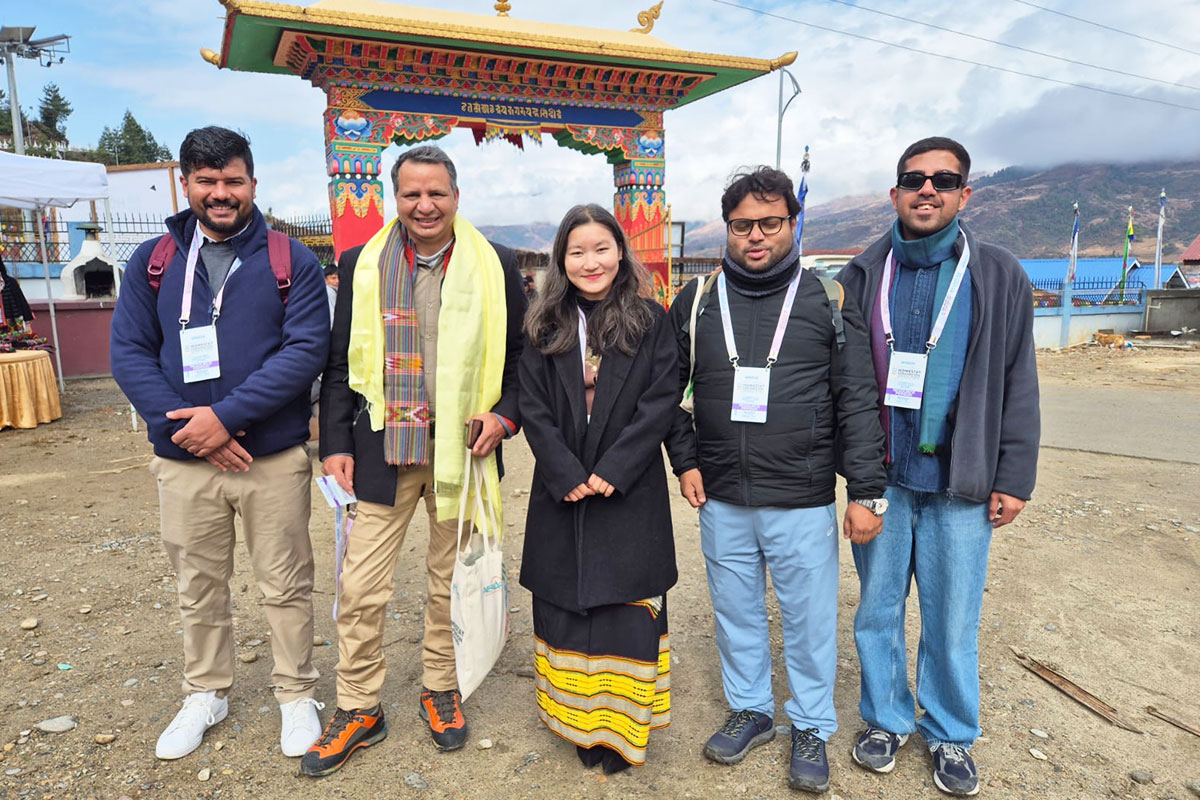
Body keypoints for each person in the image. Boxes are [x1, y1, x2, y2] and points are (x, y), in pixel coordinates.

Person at [109, 126, 330, 762]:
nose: (220, 193)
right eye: (206, 181)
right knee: (198, 583)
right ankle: (206, 692)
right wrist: (195, 433)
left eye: (233, 180)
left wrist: (225, 418)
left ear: (252, 183)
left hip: (272, 457)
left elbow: (304, 352)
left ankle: (295, 693)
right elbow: (129, 353)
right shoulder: (153, 261)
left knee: (285, 581)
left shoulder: (291, 260)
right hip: (185, 461)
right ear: (186, 185)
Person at [304, 145, 526, 776]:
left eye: (436, 193)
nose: (424, 205)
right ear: (394, 198)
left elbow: (520, 361)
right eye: (411, 194)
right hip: (383, 449)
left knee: (449, 580)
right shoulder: (361, 263)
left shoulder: (496, 263)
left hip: (465, 450)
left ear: (456, 196)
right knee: (360, 584)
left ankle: (440, 686)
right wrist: (336, 444)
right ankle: (358, 706)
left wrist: (505, 417)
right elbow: (339, 363)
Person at [665, 166, 887, 794]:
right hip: (722, 494)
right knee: (736, 613)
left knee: (809, 619)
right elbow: (665, 395)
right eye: (742, 226)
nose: (756, 236)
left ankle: (810, 724)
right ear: (727, 229)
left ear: (793, 222)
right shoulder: (697, 301)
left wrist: (866, 491)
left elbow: (857, 400)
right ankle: (752, 709)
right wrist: (685, 461)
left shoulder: (827, 299)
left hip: (801, 494)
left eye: (770, 222)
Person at [837, 137, 1039, 797]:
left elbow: (1019, 379)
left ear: (964, 194)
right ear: (895, 193)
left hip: (961, 481)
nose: (928, 189)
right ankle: (885, 719)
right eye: (914, 179)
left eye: (943, 180)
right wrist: (855, 479)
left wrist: (1013, 476)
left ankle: (950, 732)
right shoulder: (862, 274)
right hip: (884, 479)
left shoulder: (998, 274)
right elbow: (845, 386)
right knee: (877, 611)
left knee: (952, 620)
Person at [518, 204, 678, 775]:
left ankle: (622, 733)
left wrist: (618, 466)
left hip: (627, 488)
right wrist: (563, 471)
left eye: (602, 249)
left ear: (620, 252)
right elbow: (532, 404)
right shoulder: (544, 323)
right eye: (577, 251)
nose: (591, 262)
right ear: (561, 259)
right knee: (567, 610)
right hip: (562, 487)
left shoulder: (650, 319)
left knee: (624, 612)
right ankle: (579, 726)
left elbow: (662, 398)